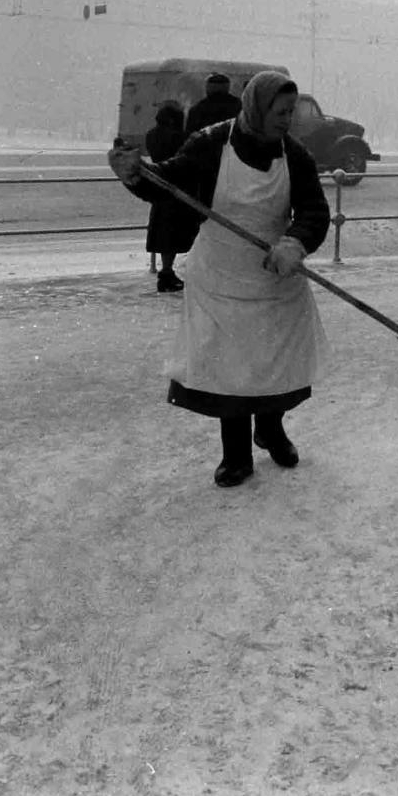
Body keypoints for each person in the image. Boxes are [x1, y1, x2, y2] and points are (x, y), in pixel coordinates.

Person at [108, 71, 331, 488]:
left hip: (275, 278)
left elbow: (315, 212)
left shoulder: (295, 156)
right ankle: (236, 455)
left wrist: (294, 243)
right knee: (230, 368)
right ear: (256, 109)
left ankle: (271, 429)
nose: (287, 120)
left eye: (290, 113)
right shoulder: (211, 144)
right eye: (280, 112)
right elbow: (169, 185)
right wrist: (136, 174)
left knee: (272, 363)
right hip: (222, 279)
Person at [144, 103, 200, 292]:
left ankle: (166, 271)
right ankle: (170, 273)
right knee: (178, 233)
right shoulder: (181, 138)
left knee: (164, 233)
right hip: (180, 189)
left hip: (160, 188)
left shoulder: (151, 136)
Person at [184, 71, 242, 137]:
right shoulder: (239, 106)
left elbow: (190, 136)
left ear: (208, 88)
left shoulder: (198, 109)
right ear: (228, 87)